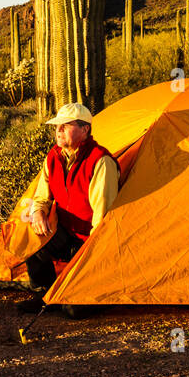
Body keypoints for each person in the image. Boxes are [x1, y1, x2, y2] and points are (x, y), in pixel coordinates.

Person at [18, 102, 119, 313]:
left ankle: (84, 292)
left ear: (85, 129)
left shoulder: (100, 162)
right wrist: (38, 212)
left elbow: (102, 221)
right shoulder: (54, 157)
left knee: (73, 311)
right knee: (29, 233)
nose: (59, 130)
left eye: (66, 125)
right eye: (57, 126)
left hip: (90, 244)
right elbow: (42, 197)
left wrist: (87, 261)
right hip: (66, 235)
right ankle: (45, 294)